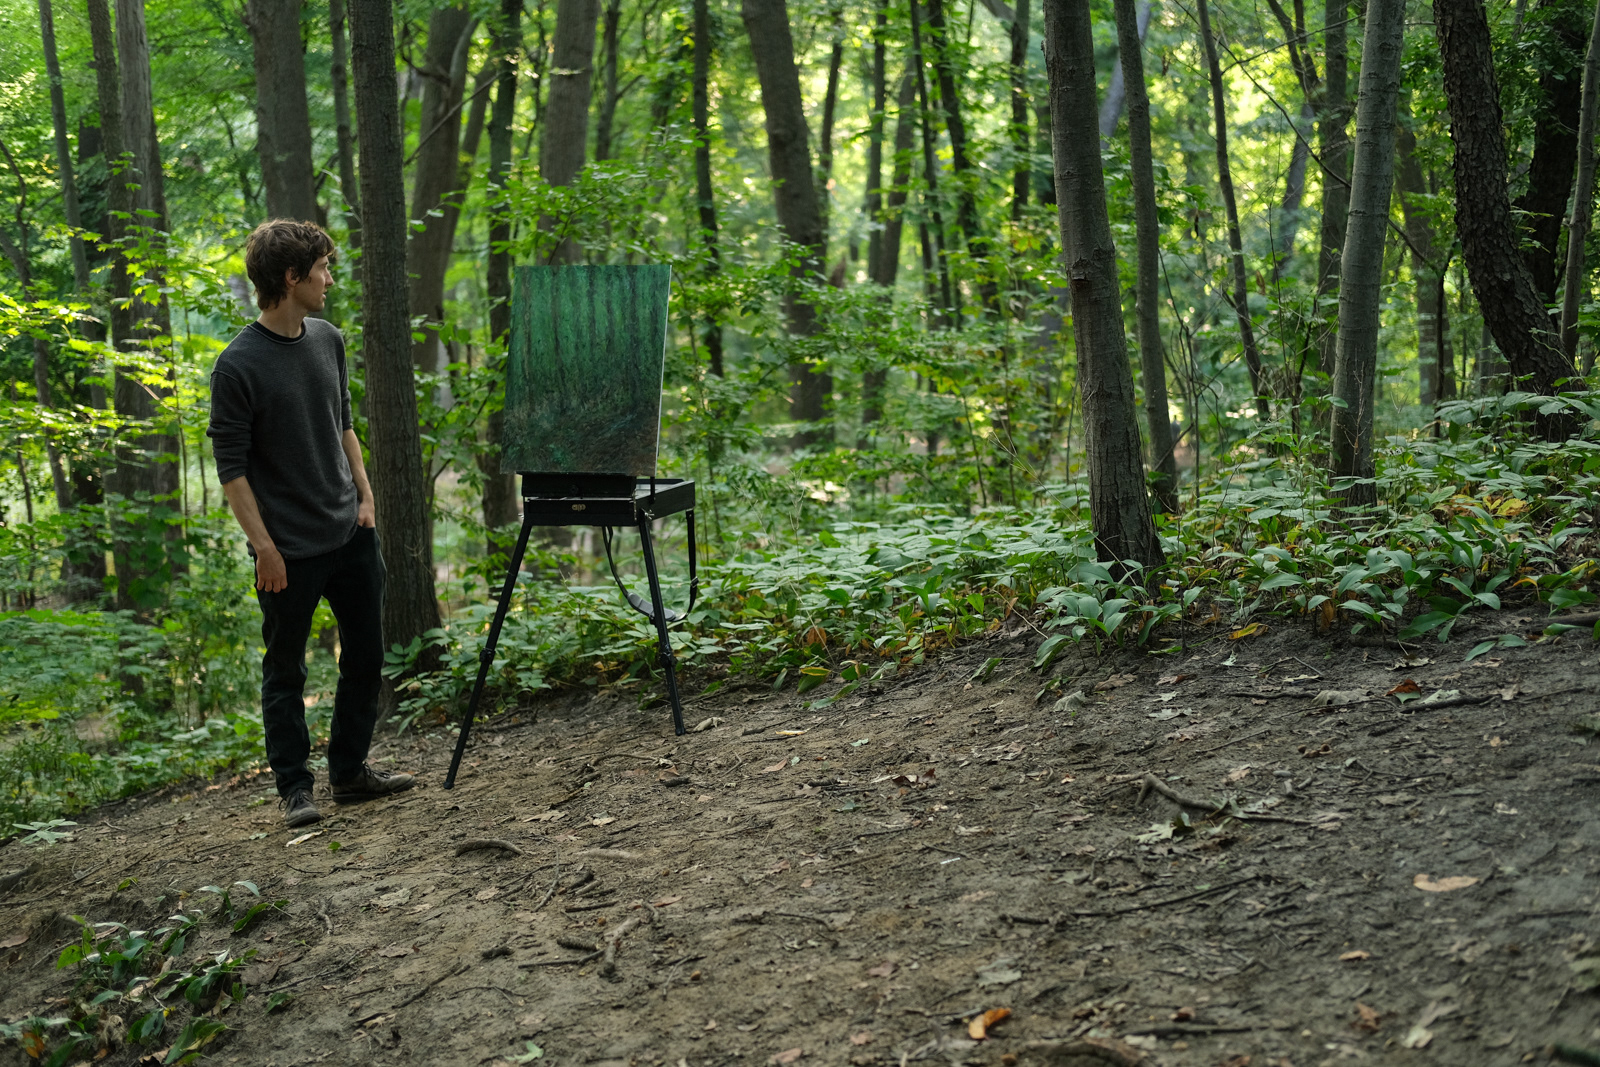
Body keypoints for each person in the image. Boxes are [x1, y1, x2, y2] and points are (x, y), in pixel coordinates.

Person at [208, 219, 415, 828]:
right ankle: (295, 789)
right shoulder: (237, 367)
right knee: (287, 670)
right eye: (322, 268)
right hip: (287, 552)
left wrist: (367, 499)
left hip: (351, 533)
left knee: (367, 656)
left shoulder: (328, 338)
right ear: (291, 277)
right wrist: (264, 548)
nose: (329, 278)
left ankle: (350, 773)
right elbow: (232, 472)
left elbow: (345, 424)